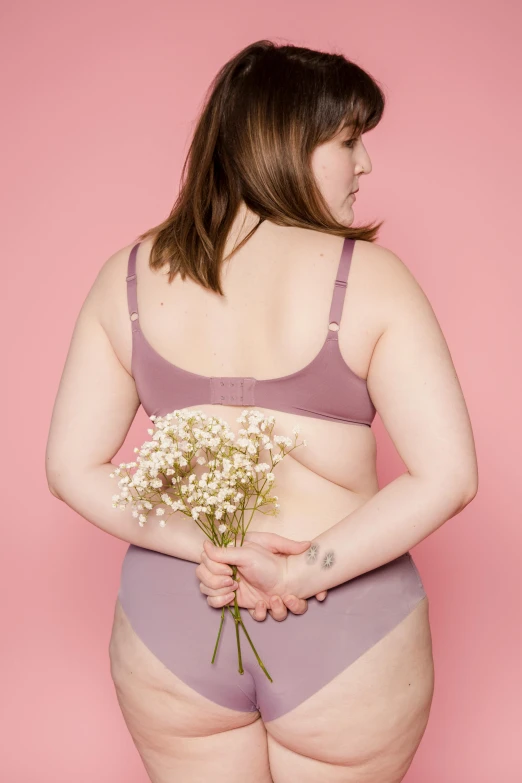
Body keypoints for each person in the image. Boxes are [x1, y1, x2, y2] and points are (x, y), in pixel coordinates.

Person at [45, 39, 478, 783]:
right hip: (344, 623)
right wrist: (299, 571)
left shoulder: (127, 277)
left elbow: (69, 467)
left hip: (173, 623)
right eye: (349, 140)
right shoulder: (369, 279)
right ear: (290, 142)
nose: (365, 165)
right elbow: (449, 477)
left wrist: (203, 550)